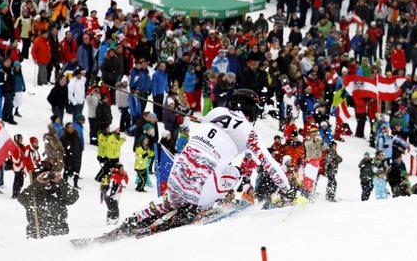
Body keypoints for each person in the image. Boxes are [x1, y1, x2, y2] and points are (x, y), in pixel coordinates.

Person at [119, 89, 289, 233]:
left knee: (171, 200)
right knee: (235, 171)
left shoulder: (216, 112)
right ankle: (197, 209)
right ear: (252, 110)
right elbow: (270, 164)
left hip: (176, 177)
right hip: (200, 190)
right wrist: (288, 190)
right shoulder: (249, 133)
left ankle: (133, 221)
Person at [17, 161, 80, 239]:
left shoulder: (59, 189)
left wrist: (61, 182)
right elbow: (22, 199)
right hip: (36, 233)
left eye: (48, 174)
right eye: (43, 175)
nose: (46, 178)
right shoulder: (33, 190)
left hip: (59, 234)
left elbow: (73, 198)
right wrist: (38, 184)